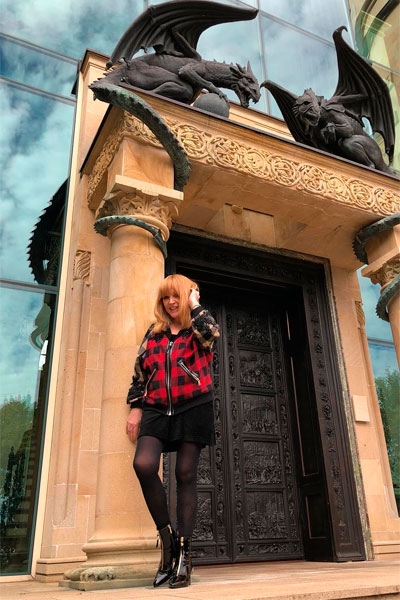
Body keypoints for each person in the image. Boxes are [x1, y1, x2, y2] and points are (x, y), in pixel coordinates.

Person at [126, 274, 220, 588]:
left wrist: (194, 302)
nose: (170, 302)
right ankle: (167, 543)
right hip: (156, 409)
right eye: (166, 297)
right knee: (144, 464)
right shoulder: (154, 333)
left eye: (176, 296)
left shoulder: (199, 329)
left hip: (193, 406)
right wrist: (136, 407)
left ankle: (184, 555)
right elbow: (140, 373)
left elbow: (212, 333)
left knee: (184, 474)